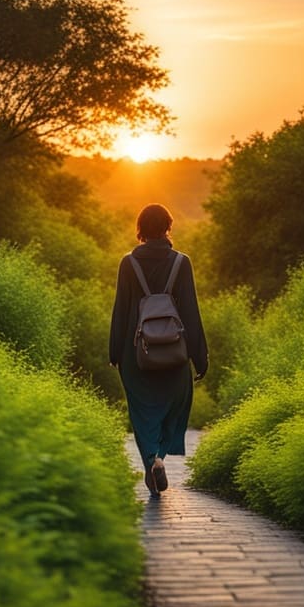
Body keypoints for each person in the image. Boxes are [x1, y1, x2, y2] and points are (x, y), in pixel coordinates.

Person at [109, 203, 208, 497]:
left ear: (140, 228)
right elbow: (190, 310)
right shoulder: (182, 262)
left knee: (142, 413)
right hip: (174, 352)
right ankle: (161, 458)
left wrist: (114, 351)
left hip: (135, 352)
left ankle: (151, 460)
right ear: (168, 226)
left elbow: (121, 310)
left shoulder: (128, 264)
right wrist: (199, 356)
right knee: (175, 405)